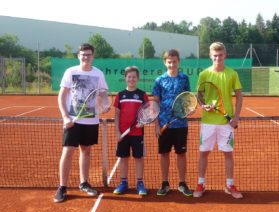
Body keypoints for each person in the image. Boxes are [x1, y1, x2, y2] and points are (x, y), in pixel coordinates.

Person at [54, 43, 109, 203]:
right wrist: (65, 116)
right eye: (83, 54)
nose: (85, 57)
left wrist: (105, 103)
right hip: (72, 120)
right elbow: (61, 96)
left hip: (91, 120)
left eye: (88, 54)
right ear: (79, 56)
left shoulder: (98, 74)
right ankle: (62, 187)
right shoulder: (70, 72)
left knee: (86, 150)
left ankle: (84, 183)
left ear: (93, 56)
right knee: (68, 151)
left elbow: (104, 93)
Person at [193, 42, 243, 199]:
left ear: (225, 55)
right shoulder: (204, 74)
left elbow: (239, 96)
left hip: (226, 124)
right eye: (215, 55)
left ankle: (229, 185)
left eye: (220, 55)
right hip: (208, 121)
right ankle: (201, 184)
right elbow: (198, 94)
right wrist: (203, 105)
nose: (218, 58)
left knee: (228, 154)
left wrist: (236, 116)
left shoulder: (232, 73)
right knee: (204, 153)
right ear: (210, 56)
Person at [152, 49, 193, 197]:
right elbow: (155, 103)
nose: (172, 64)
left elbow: (188, 98)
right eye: (169, 62)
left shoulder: (184, 78)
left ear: (178, 62)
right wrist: (156, 124)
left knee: (181, 154)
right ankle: (165, 183)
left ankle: (182, 183)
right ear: (165, 62)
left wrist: (189, 108)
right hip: (164, 124)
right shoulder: (159, 80)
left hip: (181, 124)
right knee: (164, 154)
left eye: (174, 61)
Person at [113, 66, 149, 196]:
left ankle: (140, 183)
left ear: (137, 78)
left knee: (138, 158)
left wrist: (142, 122)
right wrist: (117, 131)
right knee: (123, 158)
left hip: (137, 133)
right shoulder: (120, 95)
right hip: (123, 133)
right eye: (129, 77)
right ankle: (123, 183)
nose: (131, 79)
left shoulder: (142, 95)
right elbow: (116, 115)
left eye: (134, 77)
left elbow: (147, 113)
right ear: (125, 78)